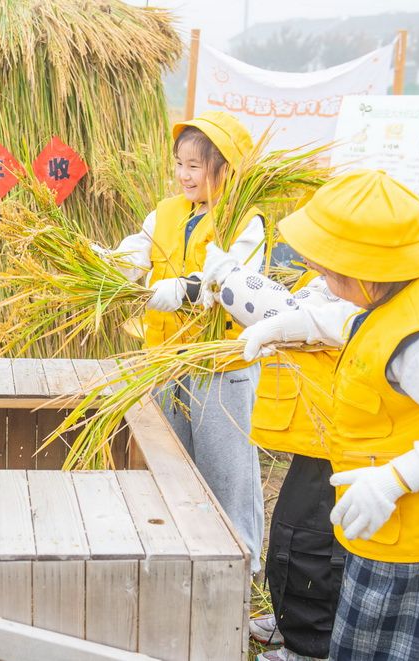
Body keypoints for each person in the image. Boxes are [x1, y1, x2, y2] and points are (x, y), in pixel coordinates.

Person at [239, 170, 419, 660]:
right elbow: (357, 324)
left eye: (332, 272)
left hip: (417, 530)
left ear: (368, 268)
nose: (324, 281)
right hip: (386, 522)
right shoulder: (396, 296)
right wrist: (289, 324)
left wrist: (393, 481)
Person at [104, 110, 267, 573]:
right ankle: (189, 565)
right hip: (166, 364)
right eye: (179, 163)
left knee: (226, 476)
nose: (183, 175)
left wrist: (183, 291)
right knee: (174, 468)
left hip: (221, 372)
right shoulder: (168, 211)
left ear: (225, 167)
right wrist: (105, 268)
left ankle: (240, 575)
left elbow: (233, 284)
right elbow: (137, 251)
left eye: (195, 165)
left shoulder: (245, 221)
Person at [202, 242, 360, 661]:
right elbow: (298, 306)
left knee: (312, 540)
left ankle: (309, 646)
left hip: (340, 441)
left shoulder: (361, 298)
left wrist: (232, 279)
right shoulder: (328, 284)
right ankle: (292, 618)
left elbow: (298, 316)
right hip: (315, 436)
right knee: (292, 529)